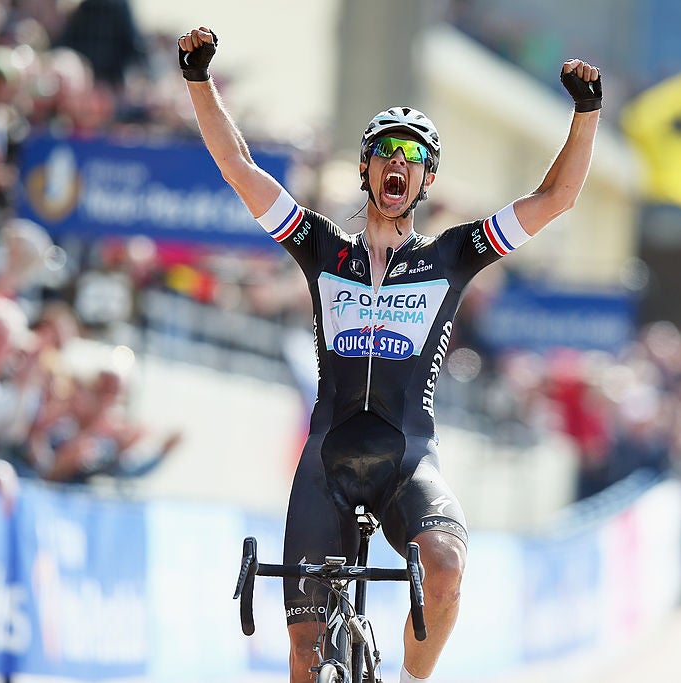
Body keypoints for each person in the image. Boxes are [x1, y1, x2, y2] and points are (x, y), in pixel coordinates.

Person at [177, 25, 601, 683]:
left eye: (411, 154)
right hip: (329, 460)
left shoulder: (452, 255)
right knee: (303, 658)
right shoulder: (321, 248)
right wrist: (199, 81)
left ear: (426, 177)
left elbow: (556, 200)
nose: (396, 162)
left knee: (448, 569)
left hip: (408, 458)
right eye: (383, 151)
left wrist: (585, 113)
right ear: (367, 168)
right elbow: (239, 167)